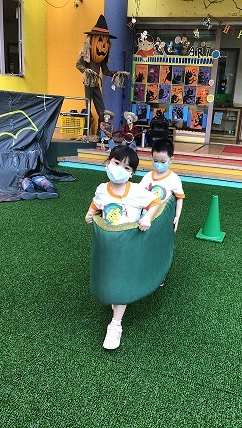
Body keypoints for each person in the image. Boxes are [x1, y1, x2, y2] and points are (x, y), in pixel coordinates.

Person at [84, 145, 161, 350]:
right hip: (109, 246)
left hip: (129, 245)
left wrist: (147, 217)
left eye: (126, 168)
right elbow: (96, 203)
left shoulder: (136, 191)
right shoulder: (102, 189)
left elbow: (155, 202)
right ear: (108, 162)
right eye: (116, 163)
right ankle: (116, 303)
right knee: (110, 276)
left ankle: (115, 324)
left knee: (121, 283)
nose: (119, 169)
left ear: (132, 173)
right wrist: (89, 215)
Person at [76, 15, 129, 134]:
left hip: (96, 83)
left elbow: (105, 71)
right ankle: (85, 133)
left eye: (106, 42)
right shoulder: (87, 54)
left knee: (101, 108)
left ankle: (100, 133)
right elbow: (78, 64)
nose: (103, 45)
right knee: (88, 105)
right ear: (92, 40)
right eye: (100, 40)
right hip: (88, 81)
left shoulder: (101, 58)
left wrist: (117, 73)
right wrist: (86, 71)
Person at [139, 138, 185, 232]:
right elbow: (139, 193)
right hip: (145, 216)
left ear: (171, 160)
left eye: (163, 162)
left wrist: (177, 216)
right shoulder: (148, 176)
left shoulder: (174, 178)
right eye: (155, 161)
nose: (158, 164)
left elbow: (179, 198)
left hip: (162, 218)